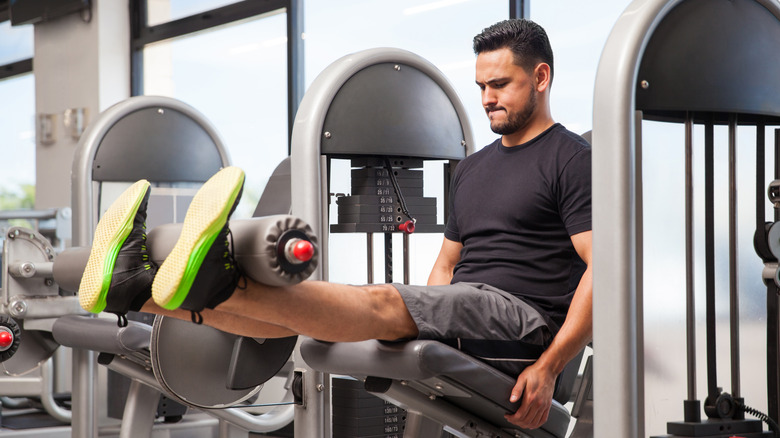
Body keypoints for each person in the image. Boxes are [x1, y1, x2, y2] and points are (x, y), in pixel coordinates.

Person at [77, 18, 592, 430]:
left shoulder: (572, 159)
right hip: (468, 312)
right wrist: (434, 323)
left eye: (500, 84)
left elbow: (602, 270)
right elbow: (448, 264)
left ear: (541, 77)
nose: (486, 99)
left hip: (522, 325)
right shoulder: (476, 167)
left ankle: (212, 275)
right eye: (481, 86)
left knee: (380, 300)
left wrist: (549, 366)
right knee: (308, 318)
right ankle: (137, 292)